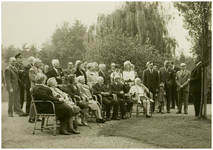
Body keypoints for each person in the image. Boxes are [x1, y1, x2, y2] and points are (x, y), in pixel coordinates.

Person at [28, 58, 44, 123]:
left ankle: (37, 116)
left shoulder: (40, 70)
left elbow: (43, 78)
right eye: (39, 62)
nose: (40, 64)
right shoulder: (31, 70)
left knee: (39, 101)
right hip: (34, 87)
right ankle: (31, 117)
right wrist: (41, 79)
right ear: (35, 63)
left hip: (40, 87)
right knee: (33, 102)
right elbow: (33, 78)